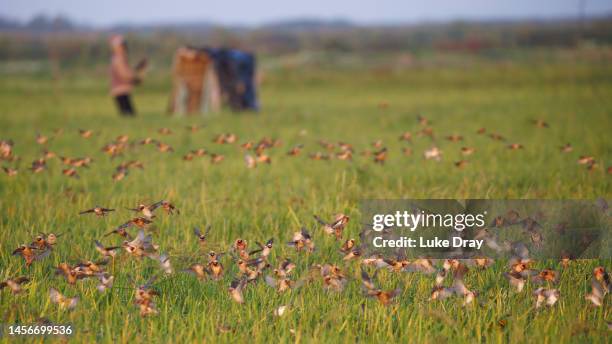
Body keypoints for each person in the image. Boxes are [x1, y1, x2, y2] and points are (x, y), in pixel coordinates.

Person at [109, 35, 146, 116]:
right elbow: (124, 74)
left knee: (128, 116)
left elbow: (127, 72)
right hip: (121, 91)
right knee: (129, 116)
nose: (124, 47)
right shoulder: (119, 58)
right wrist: (135, 80)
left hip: (121, 90)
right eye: (122, 45)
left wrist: (138, 67)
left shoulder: (118, 58)